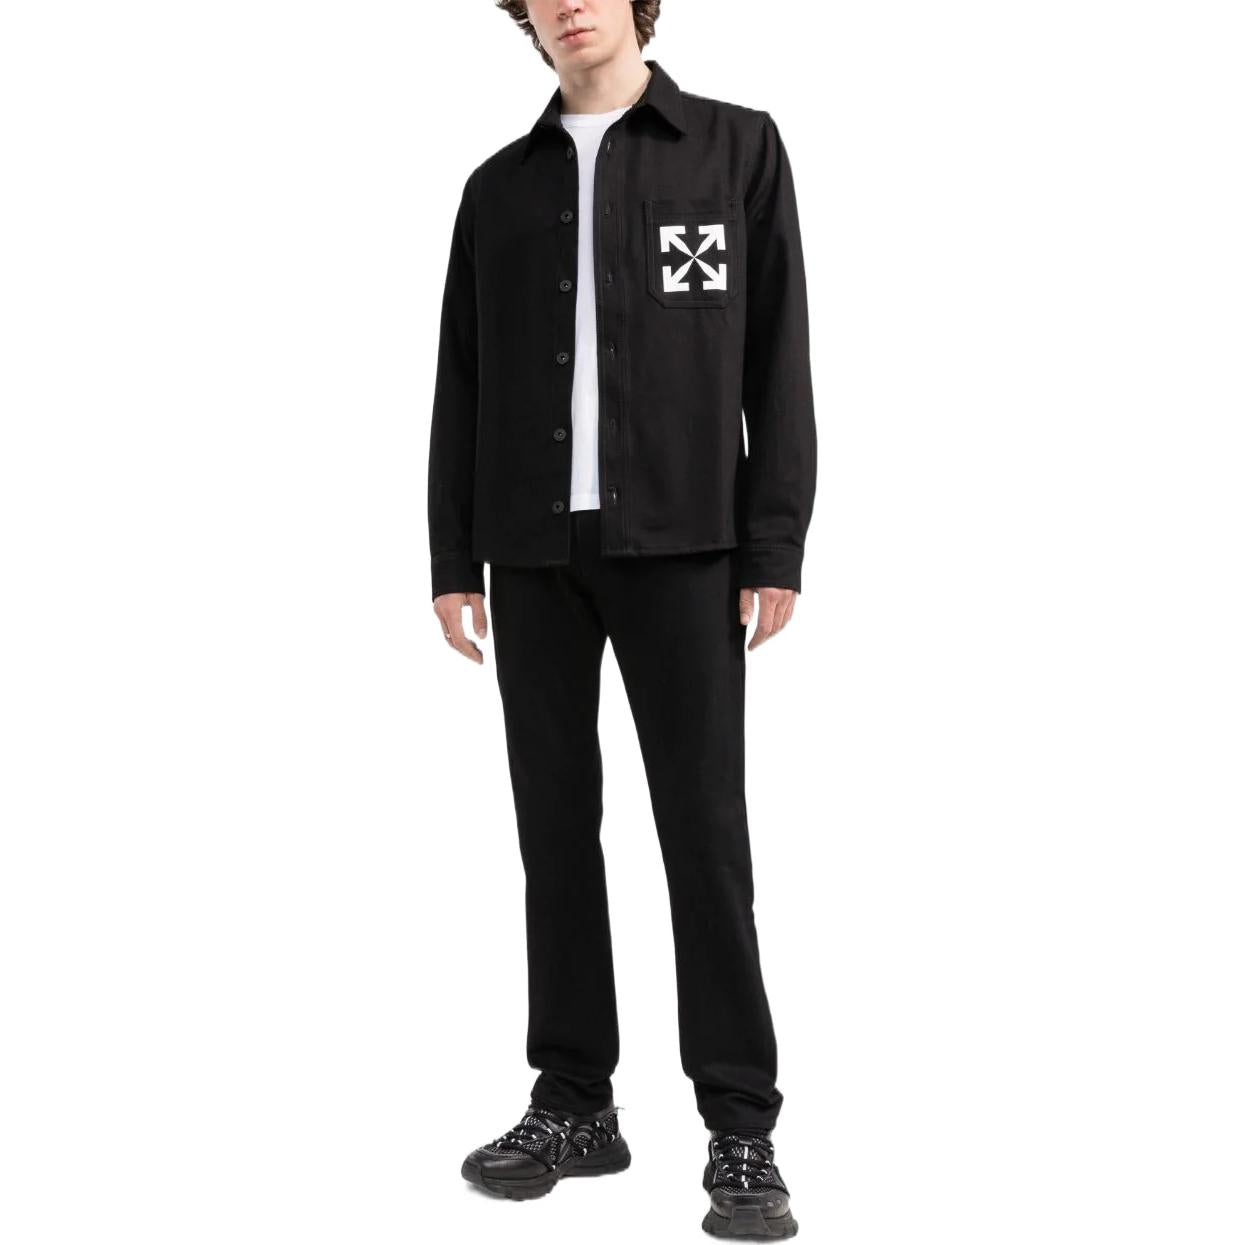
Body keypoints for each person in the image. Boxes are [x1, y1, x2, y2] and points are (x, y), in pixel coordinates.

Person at [427, 1, 816, 1236]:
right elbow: (461, 377)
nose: (569, 2)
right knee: (554, 835)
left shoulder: (736, 149)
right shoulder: (497, 188)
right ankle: (575, 1103)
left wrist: (774, 541)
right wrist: (453, 556)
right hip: (532, 551)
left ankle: (741, 1125)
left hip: (688, 548)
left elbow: (779, 355)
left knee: (704, 836)